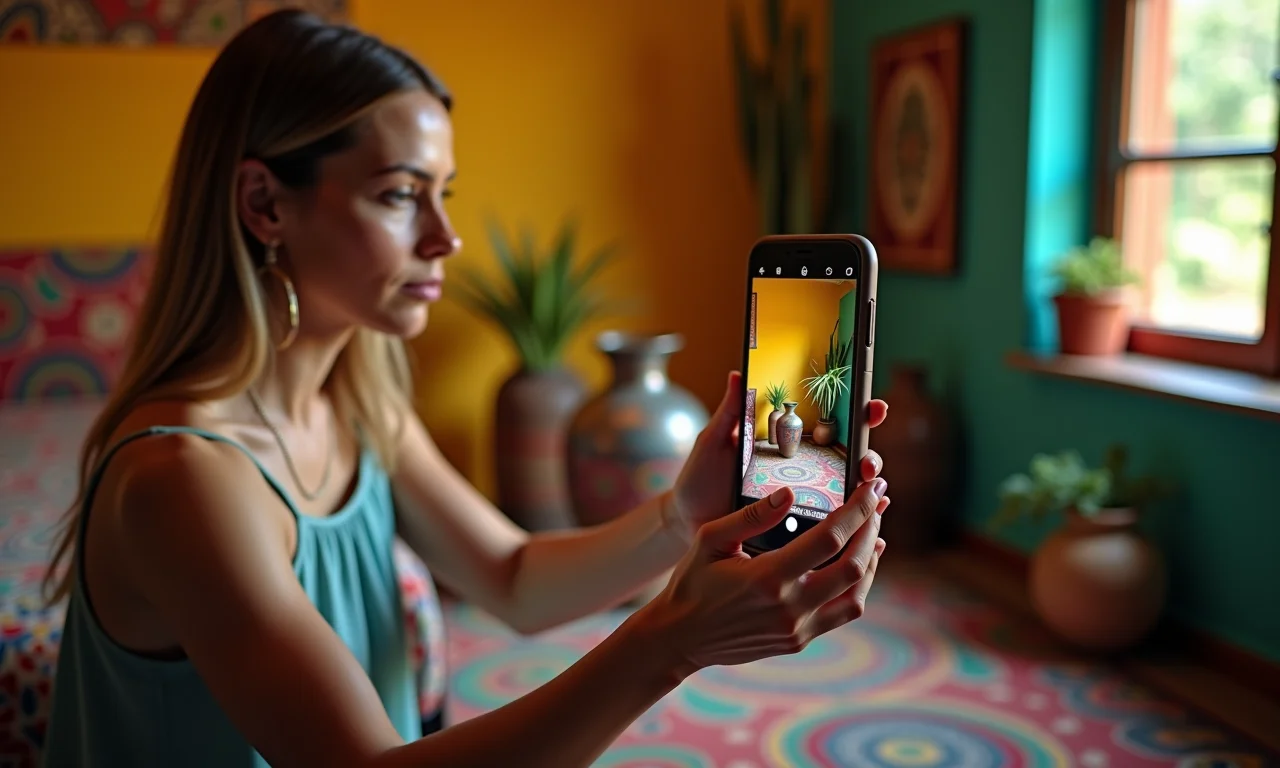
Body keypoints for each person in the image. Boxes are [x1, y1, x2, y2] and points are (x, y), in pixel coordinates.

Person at [40, 9, 892, 768]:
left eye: (442, 194)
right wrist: (671, 643)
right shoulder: (182, 479)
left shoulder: (356, 405)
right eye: (399, 195)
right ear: (265, 204)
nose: (445, 237)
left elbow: (514, 578)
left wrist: (682, 514)